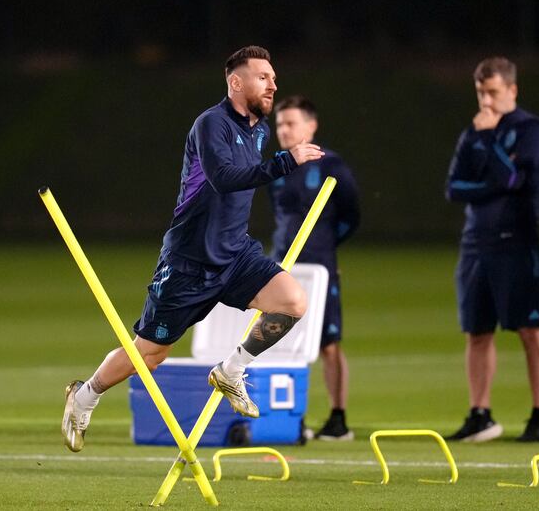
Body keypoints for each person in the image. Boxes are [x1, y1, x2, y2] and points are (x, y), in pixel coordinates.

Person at [61, 46, 325, 452]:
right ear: (236, 82)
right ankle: (84, 395)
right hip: (188, 263)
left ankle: (231, 371)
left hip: (236, 255)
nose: (273, 84)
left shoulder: (258, 130)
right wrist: (283, 163)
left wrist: (279, 165)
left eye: (273, 77)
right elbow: (223, 178)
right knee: (150, 354)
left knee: (293, 301)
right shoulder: (211, 124)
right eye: (263, 77)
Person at [445, 56, 539, 443]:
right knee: (477, 332)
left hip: (516, 241)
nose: (486, 101)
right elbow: (454, 188)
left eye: (492, 92)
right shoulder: (473, 132)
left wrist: (491, 143)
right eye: (480, 93)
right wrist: (495, 180)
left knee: (529, 329)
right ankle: (481, 414)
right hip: (476, 243)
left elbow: (514, 180)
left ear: (512, 90)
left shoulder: (531, 130)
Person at [269, 95, 360, 441]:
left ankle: (338, 419)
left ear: (311, 126)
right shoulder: (277, 168)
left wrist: (326, 250)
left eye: (290, 123)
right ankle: (292, 419)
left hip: (319, 268)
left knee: (328, 343)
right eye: (279, 124)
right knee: (281, 343)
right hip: (282, 268)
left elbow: (351, 214)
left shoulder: (330, 165)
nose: (284, 130)